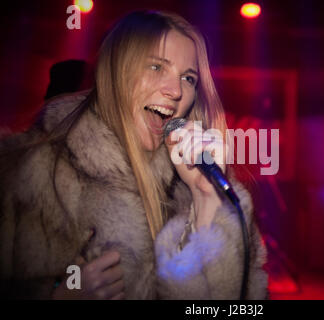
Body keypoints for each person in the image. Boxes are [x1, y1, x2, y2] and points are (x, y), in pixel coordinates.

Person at [0, 10, 267, 299]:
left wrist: (205, 198)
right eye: (156, 67)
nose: (176, 91)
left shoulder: (195, 184)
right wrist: (60, 296)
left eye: (188, 78)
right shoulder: (26, 171)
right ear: (115, 71)